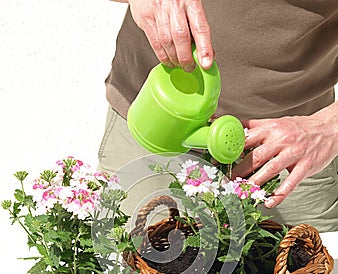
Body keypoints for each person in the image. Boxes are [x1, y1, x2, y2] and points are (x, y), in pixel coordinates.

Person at [98, 0, 338, 232]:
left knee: (302, 270)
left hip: (292, 147)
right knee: (131, 267)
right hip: (151, 124)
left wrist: (328, 127)